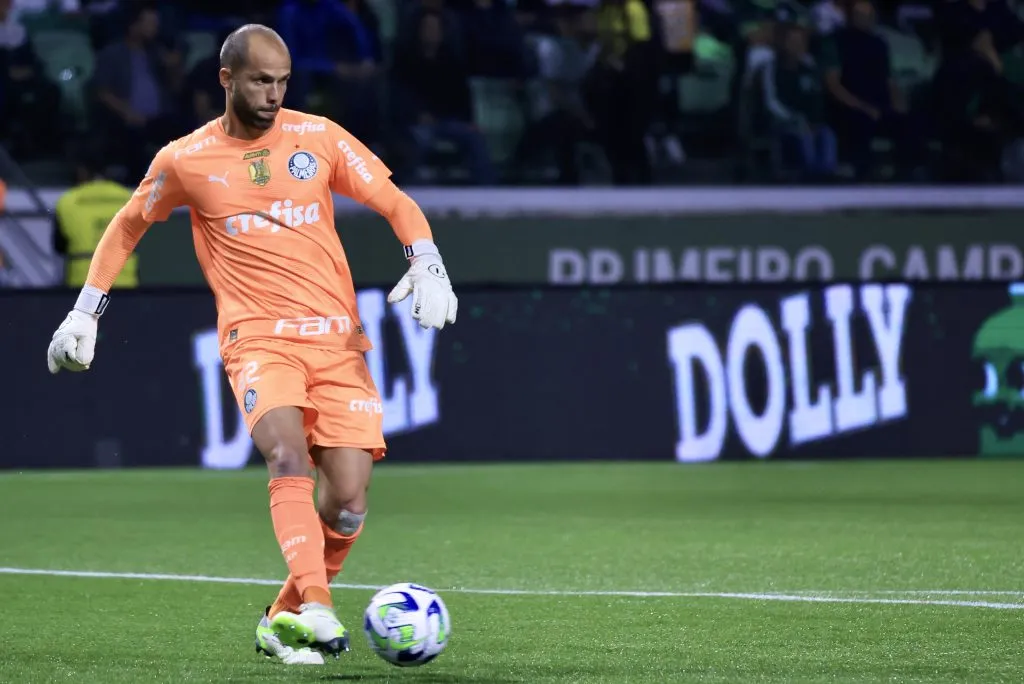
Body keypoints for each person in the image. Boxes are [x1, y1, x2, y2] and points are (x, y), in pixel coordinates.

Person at [45, 24, 458, 666]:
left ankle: (281, 618)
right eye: (261, 80)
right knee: (286, 457)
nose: (273, 93)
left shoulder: (318, 137)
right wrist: (85, 312)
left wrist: (426, 258)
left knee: (347, 504)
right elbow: (127, 225)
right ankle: (318, 606)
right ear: (226, 79)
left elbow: (393, 200)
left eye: (283, 81)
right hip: (258, 339)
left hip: (337, 341)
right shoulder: (185, 159)